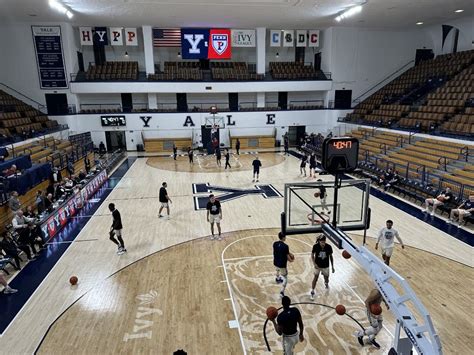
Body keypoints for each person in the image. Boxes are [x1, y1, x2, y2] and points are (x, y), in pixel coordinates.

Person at [310, 235, 334, 299]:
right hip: (317, 266)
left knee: (326, 278)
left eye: (324, 242)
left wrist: (332, 266)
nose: (323, 243)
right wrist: (314, 263)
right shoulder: (315, 246)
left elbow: (331, 257)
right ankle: (312, 291)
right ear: (319, 241)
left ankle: (326, 284)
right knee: (315, 278)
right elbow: (312, 255)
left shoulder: (329, 247)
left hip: (326, 266)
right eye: (322, 242)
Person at [273, 232, 292, 298]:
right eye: (285, 236)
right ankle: (282, 292)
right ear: (283, 237)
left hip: (276, 261)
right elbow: (287, 256)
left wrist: (289, 253)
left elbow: (280, 251)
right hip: (282, 264)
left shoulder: (275, 244)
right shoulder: (286, 246)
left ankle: (277, 278)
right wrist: (291, 260)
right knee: (285, 278)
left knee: (277, 269)